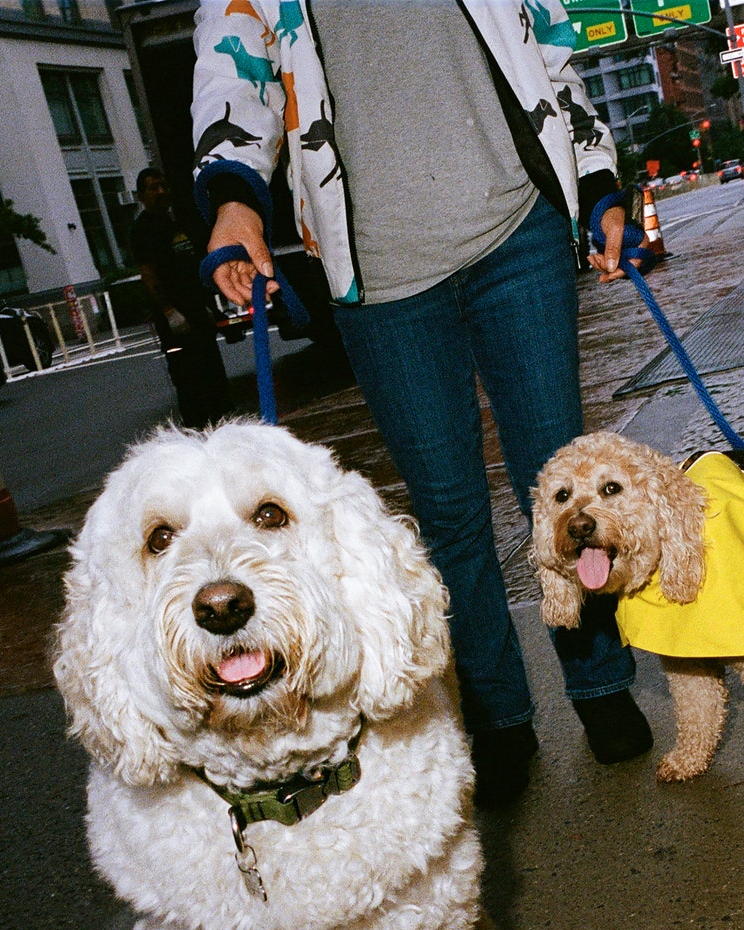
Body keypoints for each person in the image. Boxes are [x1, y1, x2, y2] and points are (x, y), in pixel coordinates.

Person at [191, 0, 649, 804]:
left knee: (562, 487)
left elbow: (545, 43)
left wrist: (597, 178)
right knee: (446, 514)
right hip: (379, 272)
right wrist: (233, 199)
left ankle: (600, 684)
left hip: (517, 226)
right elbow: (234, 58)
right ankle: (498, 713)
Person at [130, 167, 231, 429]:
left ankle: (223, 426)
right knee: (188, 381)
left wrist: (209, 306)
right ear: (141, 195)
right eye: (153, 188)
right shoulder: (142, 230)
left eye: (164, 186)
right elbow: (149, 275)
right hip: (174, 321)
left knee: (214, 374)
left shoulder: (178, 222)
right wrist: (169, 311)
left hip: (197, 312)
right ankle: (197, 429)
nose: (161, 192)